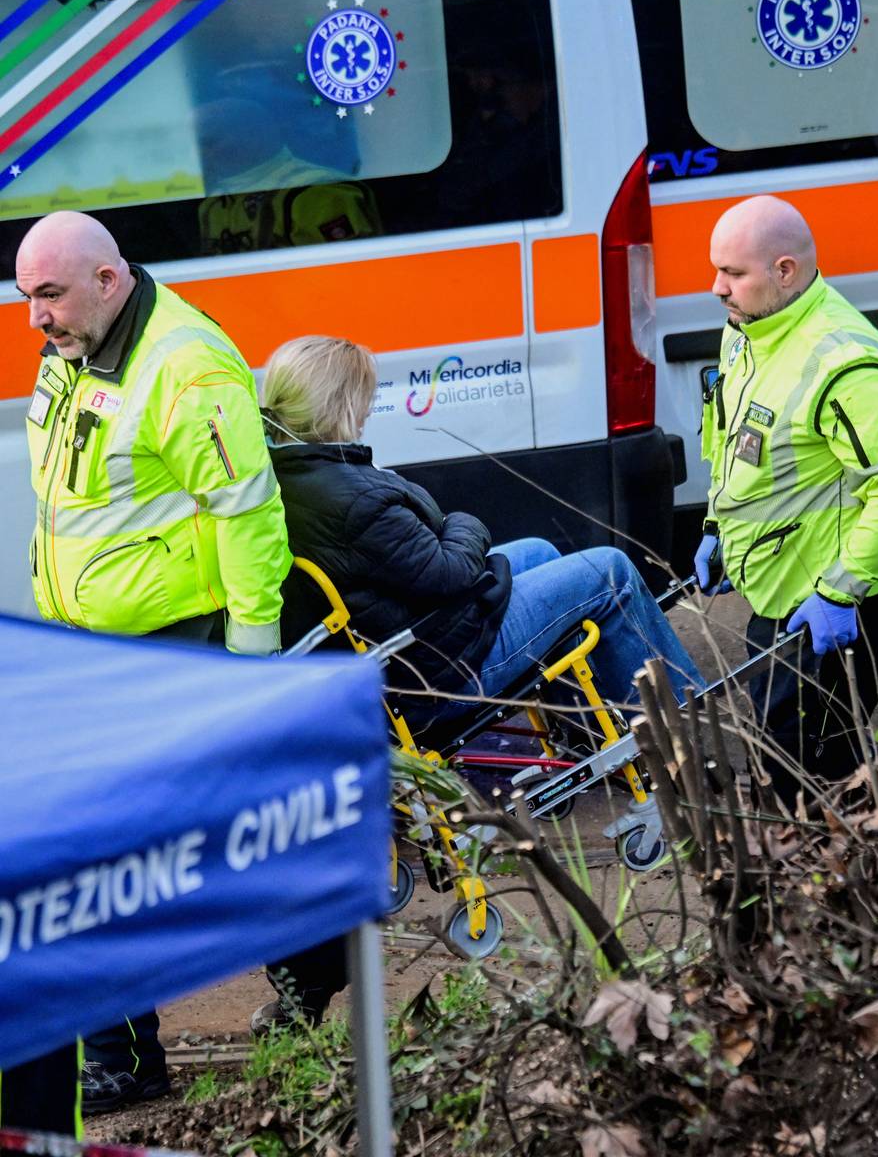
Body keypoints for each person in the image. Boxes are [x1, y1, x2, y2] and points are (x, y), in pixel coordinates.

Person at [251, 334, 703, 1028]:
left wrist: (464, 546)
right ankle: (688, 726)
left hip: (398, 649)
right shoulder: (352, 497)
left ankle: (587, 733)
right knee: (610, 571)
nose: (370, 410)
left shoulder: (282, 477)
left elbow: (434, 566)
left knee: (540, 552)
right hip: (444, 667)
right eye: (363, 398)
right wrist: (463, 517)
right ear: (341, 404)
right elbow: (453, 568)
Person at [15, 211, 293, 1115]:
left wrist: (251, 660)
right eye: (25, 300)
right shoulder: (74, 347)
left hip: (175, 646)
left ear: (108, 278)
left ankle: (133, 1056)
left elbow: (249, 514)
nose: (34, 320)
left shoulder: (185, 363)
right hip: (91, 651)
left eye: (48, 295)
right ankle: (130, 1049)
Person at [696, 195, 878, 809]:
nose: (717, 287)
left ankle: (841, 902)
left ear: (785, 270)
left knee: (811, 787)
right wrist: (716, 529)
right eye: (717, 269)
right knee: (794, 771)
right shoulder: (749, 332)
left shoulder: (844, 362)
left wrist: (839, 592)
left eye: (734, 272)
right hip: (781, 600)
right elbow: (733, 444)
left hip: (834, 611)